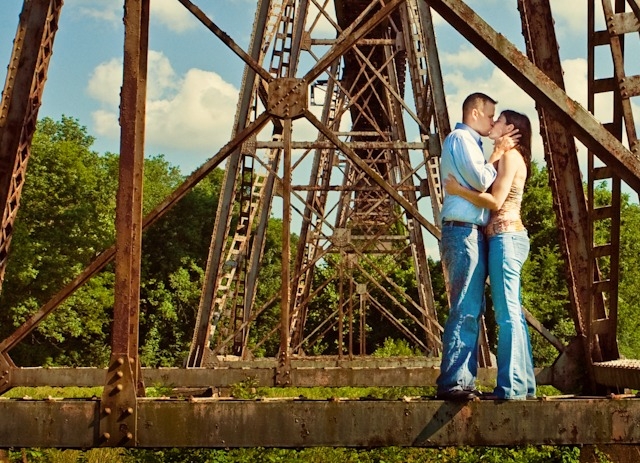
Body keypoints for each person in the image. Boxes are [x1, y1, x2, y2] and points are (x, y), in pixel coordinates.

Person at [443, 109, 535, 400]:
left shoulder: (510, 156)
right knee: (510, 313)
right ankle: (522, 384)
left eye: (499, 120)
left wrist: (458, 190)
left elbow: (495, 201)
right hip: (501, 239)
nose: (493, 123)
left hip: (507, 238)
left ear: (510, 129)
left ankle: (513, 388)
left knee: (507, 314)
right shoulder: (505, 155)